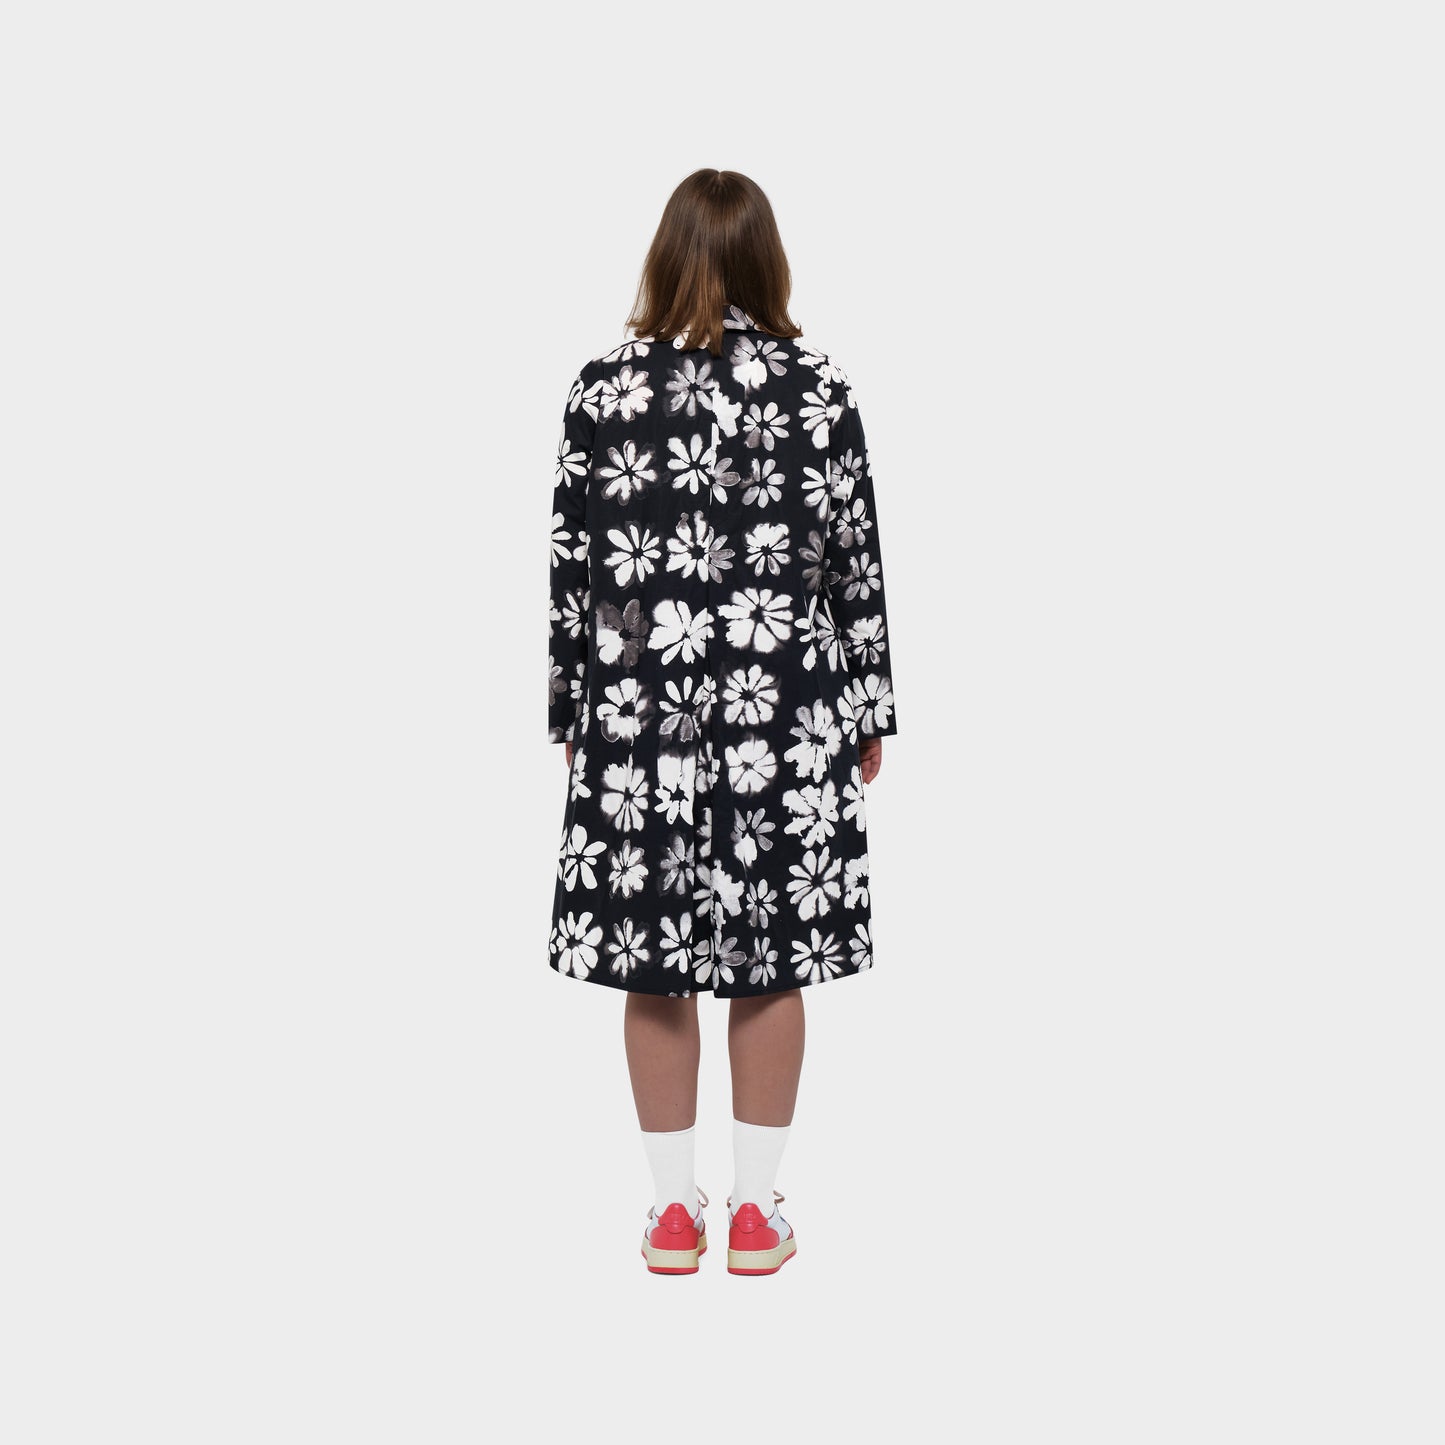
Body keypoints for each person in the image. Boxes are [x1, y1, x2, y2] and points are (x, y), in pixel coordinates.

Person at [546, 169, 898, 1275]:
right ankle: (752, 1212)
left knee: (651, 960)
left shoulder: (600, 390)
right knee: (769, 954)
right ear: (765, 260)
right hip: (781, 707)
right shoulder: (818, 388)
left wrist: (570, 710)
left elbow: (572, 572)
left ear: (664, 255)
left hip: (637, 715)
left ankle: (668, 1215)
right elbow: (853, 565)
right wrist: (869, 704)